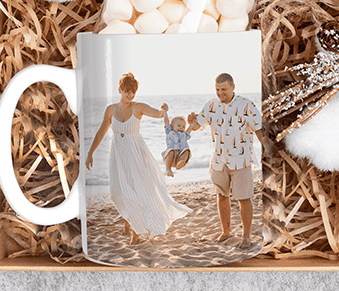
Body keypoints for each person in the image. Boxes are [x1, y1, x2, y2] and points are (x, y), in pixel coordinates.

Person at [85, 72, 191, 244]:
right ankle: (128, 220)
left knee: (137, 190)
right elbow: (101, 132)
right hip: (118, 155)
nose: (130, 95)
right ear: (120, 89)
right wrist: (90, 153)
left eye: (133, 92)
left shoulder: (138, 107)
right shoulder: (110, 110)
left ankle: (135, 233)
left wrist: (163, 110)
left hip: (136, 154)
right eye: (127, 91)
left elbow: (157, 114)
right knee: (118, 191)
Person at [188, 73, 268, 249]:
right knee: (221, 196)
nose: (220, 93)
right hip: (218, 160)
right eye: (217, 89)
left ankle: (246, 237)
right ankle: (226, 232)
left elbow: (259, 129)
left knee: (243, 198)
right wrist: (190, 122)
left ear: (233, 87)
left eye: (223, 89)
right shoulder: (211, 105)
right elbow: (197, 126)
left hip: (241, 160)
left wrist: (266, 150)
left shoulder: (246, 104)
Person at [161, 106, 193, 177]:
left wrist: (192, 123)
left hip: (179, 156)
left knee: (187, 151)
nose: (181, 128)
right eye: (178, 126)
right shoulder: (169, 132)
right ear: (171, 126)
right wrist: (165, 111)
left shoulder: (184, 135)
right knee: (171, 151)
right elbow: (166, 120)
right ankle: (168, 169)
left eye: (183, 127)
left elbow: (189, 130)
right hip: (171, 158)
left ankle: (180, 163)